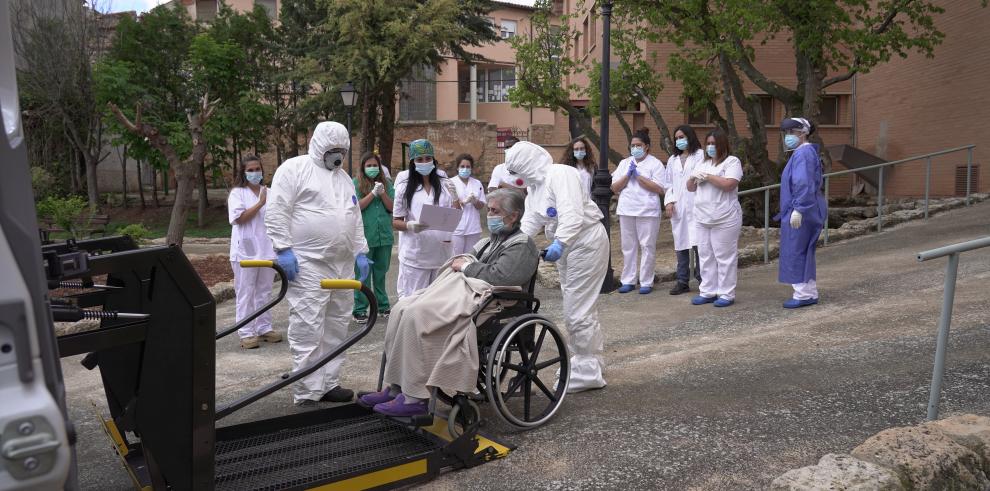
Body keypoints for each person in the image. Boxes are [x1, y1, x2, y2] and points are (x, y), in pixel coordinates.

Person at [359, 189, 540, 416]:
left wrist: (467, 267)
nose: (490, 216)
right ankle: (396, 387)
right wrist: (466, 265)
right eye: (490, 210)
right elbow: (466, 262)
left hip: (495, 304)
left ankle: (416, 397)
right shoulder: (487, 242)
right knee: (401, 309)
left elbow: (501, 277)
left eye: (494, 211)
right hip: (471, 295)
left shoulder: (522, 244)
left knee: (417, 314)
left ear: (513, 216)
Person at [265, 121, 372, 407]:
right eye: (332, 149)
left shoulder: (344, 179)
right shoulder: (294, 169)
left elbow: (354, 217)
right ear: (317, 145)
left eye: (342, 150)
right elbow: (277, 210)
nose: (337, 155)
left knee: (337, 323)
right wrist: (283, 249)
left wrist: (361, 251)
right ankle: (308, 389)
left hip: (342, 264)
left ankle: (329, 382)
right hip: (308, 264)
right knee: (308, 325)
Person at [505, 141, 609, 393]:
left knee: (577, 309)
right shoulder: (536, 187)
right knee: (579, 305)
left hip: (584, 242)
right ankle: (589, 361)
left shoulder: (561, 174)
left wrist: (560, 243)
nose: (519, 178)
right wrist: (512, 244)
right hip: (569, 247)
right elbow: (531, 219)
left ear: (528, 164)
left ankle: (587, 371)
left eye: (519, 171)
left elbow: (571, 214)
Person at [393, 139, 461, 298]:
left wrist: (456, 198)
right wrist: (410, 225)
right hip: (416, 256)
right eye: (419, 159)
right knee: (415, 302)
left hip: (441, 253)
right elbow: (396, 221)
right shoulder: (404, 187)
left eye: (428, 158)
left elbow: (456, 215)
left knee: (439, 302)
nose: (424, 162)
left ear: (433, 160)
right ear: (412, 162)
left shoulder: (445, 184)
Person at [227, 155, 281, 349]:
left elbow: (277, 218)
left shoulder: (270, 192)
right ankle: (246, 332)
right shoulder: (238, 193)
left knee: (265, 291)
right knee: (245, 292)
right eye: (250, 170)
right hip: (245, 251)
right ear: (243, 172)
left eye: (257, 169)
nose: (254, 173)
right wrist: (260, 203)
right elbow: (239, 218)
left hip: (267, 249)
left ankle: (264, 327)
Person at [687, 128, 743, 308]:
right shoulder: (702, 163)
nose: (710, 147)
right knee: (705, 255)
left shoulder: (732, 162)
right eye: (708, 144)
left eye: (714, 144)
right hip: (703, 217)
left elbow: (729, 184)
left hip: (725, 217)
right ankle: (708, 291)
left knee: (724, 256)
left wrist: (709, 177)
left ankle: (726, 293)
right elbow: (690, 187)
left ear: (722, 145)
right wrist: (693, 177)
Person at [776, 117, 826, 308]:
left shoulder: (803, 154)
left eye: (792, 132)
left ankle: (803, 294)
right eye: (786, 133)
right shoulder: (804, 153)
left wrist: (799, 208)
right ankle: (808, 291)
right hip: (805, 208)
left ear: (803, 132)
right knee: (804, 249)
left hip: (802, 210)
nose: (788, 136)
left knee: (797, 249)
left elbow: (803, 183)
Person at [611, 128, 666, 295]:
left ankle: (646, 281)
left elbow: (659, 188)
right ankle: (628, 280)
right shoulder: (624, 163)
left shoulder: (655, 164)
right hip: (627, 209)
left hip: (647, 211)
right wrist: (628, 176)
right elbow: (614, 187)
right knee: (628, 246)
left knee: (647, 246)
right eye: (632, 145)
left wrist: (639, 177)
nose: (635, 148)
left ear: (647, 146)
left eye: (638, 145)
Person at [353, 152, 395, 323]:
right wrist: (372, 194)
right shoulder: (355, 184)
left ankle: (382, 305)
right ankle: (360, 309)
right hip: (364, 236)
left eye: (375, 165)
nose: (372, 168)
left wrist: (383, 193)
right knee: (362, 275)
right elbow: (356, 207)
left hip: (383, 236)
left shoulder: (387, 183)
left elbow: (392, 208)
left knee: (381, 272)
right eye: (369, 165)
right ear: (363, 167)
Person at [664, 125, 705, 295]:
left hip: (696, 206)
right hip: (678, 209)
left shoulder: (700, 155)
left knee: (699, 245)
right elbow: (668, 184)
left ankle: (704, 280)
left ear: (690, 137)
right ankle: (682, 281)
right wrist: (669, 202)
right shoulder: (673, 160)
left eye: (682, 137)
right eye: (677, 138)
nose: (679, 140)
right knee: (680, 245)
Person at [450, 153, 487, 256]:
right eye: (462, 166)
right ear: (457, 167)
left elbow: (481, 206)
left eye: (468, 167)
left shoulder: (477, 183)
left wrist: (475, 201)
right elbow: (446, 205)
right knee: (455, 257)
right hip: (456, 227)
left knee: (470, 258)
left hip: (473, 227)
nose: (465, 169)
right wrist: (463, 202)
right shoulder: (450, 183)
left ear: (471, 168)